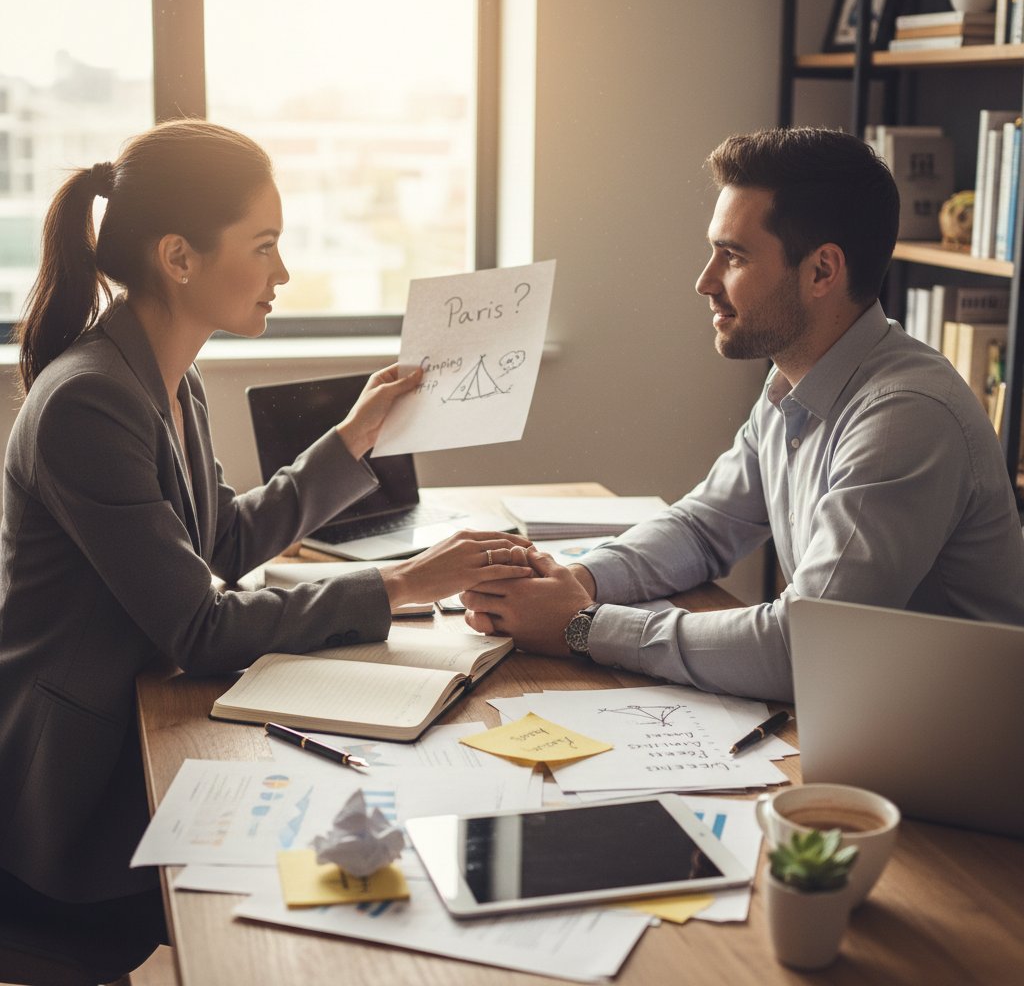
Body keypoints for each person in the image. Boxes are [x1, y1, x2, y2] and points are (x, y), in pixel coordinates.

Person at [0, 119, 531, 962]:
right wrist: (399, 585)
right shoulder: (87, 403)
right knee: (333, 890)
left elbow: (220, 541)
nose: (283, 272)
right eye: (265, 246)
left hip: (137, 731)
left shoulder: (172, 380)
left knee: (358, 853)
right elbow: (201, 629)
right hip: (72, 801)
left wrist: (354, 437)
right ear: (179, 257)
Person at [462, 126, 1024, 702]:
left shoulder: (904, 417)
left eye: (733, 256)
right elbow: (704, 529)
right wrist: (575, 582)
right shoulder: (793, 381)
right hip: (872, 710)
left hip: (957, 742)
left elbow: (803, 648)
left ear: (822, 271)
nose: (705, 281)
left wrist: (581, 627)